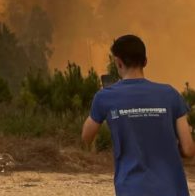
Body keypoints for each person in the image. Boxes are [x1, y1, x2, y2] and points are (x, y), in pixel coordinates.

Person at [82, 35, 195, 195]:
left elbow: (86, 137)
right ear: (145, 61)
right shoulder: (170, 94)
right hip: (172, 189)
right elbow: (189, 149)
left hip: (131, 188)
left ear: (118, 62)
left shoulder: (105, 97)